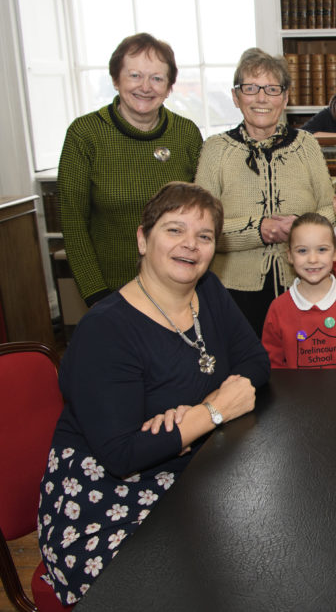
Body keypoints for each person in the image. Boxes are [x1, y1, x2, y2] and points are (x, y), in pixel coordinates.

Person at [37, 182, 270, 606]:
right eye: (174, 230)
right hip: (104, 500)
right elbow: (122, 454)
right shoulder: (105, 331)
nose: (190, 245)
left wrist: (193, 414)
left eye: (204, 236)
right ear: (143, 239)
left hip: (190, 474)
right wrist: (213, 411)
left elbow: (255, 363)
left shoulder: (210, 293)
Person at [194, 47, 336, 338]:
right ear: (236, 97)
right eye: (250, 88)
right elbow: (201, 229)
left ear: (285, 98)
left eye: (272, 89)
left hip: (304, 284)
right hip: (234, 292)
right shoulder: (215, 149)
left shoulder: (306, 144)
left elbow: (331, 209)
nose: (261, 98)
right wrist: (260, 230)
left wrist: (300, 227)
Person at [58, 33, 202, 306]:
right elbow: (73, 223)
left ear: (169, 86)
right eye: (135, 75)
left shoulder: (186, 134)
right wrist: (95, 294)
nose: (145, 87)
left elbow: (201, 217)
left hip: (179, 290)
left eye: (157, 78)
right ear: (116, 79)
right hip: (111, 292)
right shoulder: (85, 134)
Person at [262, 214, 336, 369]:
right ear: (290, 256)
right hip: (297, 394)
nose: (312, 259)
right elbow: (273, 366)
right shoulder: (278, 309)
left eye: (322, 249)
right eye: (302, 251)